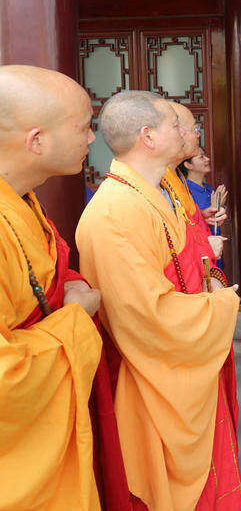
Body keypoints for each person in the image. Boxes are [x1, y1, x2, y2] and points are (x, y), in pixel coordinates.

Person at [76, 90, 241, 511]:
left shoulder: (152, 191)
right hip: (156, 372)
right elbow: (145, 317)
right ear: (148, 136)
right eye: (176, 124)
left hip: (186, 358)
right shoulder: (113, 211)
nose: (188, 133)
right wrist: (222, 305)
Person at [0, 65, 126, 511]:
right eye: (83, 128)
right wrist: (75, 318)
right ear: (36, 141)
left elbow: (49, 272)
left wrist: (70, 289)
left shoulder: (23, 198)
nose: (92, 140)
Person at [163, 103, 227, 271]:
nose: (198, 134)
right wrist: (204, 248)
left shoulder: (176, 179)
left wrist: (203, 217)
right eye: (194, 128)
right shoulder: (155, 182)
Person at [178, 147, 227, 269]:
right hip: (199, 253)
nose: (207, 159)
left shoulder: (209, 188)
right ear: (188, 165)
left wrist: (219, 208)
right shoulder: (185, 190)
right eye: (201, 157)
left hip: (215, 247)